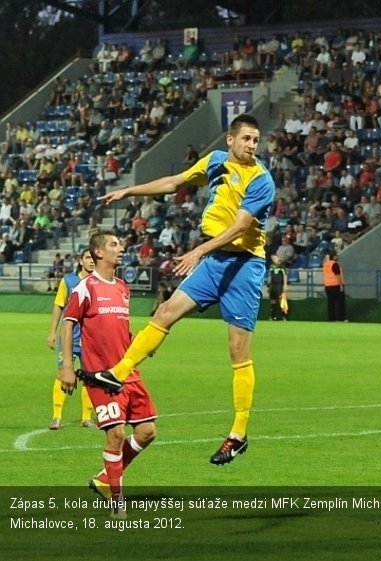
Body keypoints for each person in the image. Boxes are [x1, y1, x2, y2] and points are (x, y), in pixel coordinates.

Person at [93, 114, 275, 465]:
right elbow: (174, 182)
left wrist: (198, 250)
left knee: (238, 350)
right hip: (214, 260)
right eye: (247, 139)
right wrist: (130, 190)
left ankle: (238, 433)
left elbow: (240, 228)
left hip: (244, 266)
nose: (252, 145)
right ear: (231, 140)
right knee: (165, 313)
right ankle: (116, 374)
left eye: (256, 140)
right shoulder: (215, 162)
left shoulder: (261, 180)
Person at [58, 231, 157, 519]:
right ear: (98, 253)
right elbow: (68, 323)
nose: (121, 248)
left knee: (147, 431)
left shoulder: (124, 288)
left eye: (120, 244)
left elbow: (119, 328)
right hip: (99, 375)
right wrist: (66, 366)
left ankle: (104, 478)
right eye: (114, 245)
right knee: (116, 433)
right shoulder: (85, 287)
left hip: (128, 371)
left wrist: (140, 343)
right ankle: (117, 504)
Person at [46, 249, 96, 430]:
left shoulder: (100, 282)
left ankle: (86, 417)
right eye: (88, 258)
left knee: (90, 378)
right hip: (69, 337)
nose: (91, 261)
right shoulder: (68, 281)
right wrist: (52, 332)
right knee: (63, 374)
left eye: (94, 258)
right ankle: (56, 416)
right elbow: (59, 306)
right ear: (81, 261)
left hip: (91, 340)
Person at [323, 252, 346, 321]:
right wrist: (341, 285)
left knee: (330, 304)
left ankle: (331, 318)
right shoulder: (335, 264)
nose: (338, 257)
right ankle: (341, 318)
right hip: (335, 285)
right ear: (334, 257)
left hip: (328, 286)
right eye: (337, 256)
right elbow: (337, 276)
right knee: (339, 303)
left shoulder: (326, 264)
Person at [268, 253, 288, 321]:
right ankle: (272, 316)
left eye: (275, 258)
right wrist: (268, 285)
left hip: (279, 285)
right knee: (272, 301)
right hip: (272, 285)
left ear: (278, 258)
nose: (274, 260)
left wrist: (285, 285)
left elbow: (285, 276)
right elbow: (269, 276)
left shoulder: (281, 267)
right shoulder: (272, 266)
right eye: (272, 259)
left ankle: (282, 316)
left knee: (280, 301)